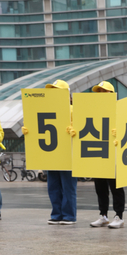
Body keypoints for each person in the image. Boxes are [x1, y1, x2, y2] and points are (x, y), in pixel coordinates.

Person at [88, 81, 125, 229]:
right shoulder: (93, 110)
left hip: (115, 154)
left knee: (116, 187)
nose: (101, 94)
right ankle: (103, 215)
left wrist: (120, 133)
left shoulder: (119, 109)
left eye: (104, 91)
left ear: (112, 94)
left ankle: (119, 216)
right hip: (99, 151)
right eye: (99, 92)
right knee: (100, 187)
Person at [41, 80, 78, 225]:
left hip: (68, 153)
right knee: (53, 186)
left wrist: (75, 130)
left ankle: (69, 215)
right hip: (52, 153)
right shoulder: (47, 110)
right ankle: (56, 214)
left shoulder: (73, 109)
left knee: (68, 186)